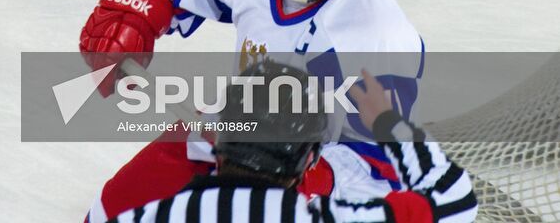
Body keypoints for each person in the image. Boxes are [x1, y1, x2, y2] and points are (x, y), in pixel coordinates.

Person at [79, 0, 426, 220]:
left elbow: (381, 166)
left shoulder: (379, 37)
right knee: (108, 215)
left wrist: (293, 166)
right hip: (228, 129)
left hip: (308, 166)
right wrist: (140, 15)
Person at [100, 64, 477, 223]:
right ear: (311, 159)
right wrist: (385, 122)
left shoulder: (150, 217)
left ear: (217, 141)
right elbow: (455, 198)